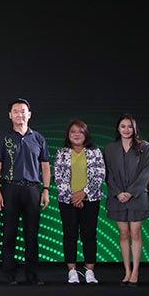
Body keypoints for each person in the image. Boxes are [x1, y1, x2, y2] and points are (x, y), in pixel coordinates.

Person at [0, 98, 51, 285]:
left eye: (23, 111)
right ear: (10, 115)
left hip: (33, 190)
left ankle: (32, 275)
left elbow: (46, 167)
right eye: (16, 111)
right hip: (10, 189)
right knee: (9, 234)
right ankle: (10, 274)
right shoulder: (4, 138)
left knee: (32, 235)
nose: (19, 114)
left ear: (29, 114)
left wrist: (46, 190)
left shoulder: (38, 138)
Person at [53, 120, 105, 285]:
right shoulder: (62, 153)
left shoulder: (95, 152)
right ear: (68, 135)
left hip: (90, 200)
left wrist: (84, 194)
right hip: (67, 201)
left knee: (89, 235)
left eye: (80, 131)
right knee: (70, 235)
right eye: (73, 131)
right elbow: (58, 177)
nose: (76, 134)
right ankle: (72, 271)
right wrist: (73, 197)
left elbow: (99, 175)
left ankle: (89, 271)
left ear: (86, 134)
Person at [103, 114, 149, 286]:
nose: (126, 129)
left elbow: (146, 172)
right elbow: (107, 173)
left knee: (136, 233)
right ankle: (127, 271)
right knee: (123, 234)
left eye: (130, 126)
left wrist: (130, 192)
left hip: (137, 196)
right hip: (117, 197)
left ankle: (136, 271)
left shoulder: (146, 147)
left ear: (135, 128)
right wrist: (118, 193)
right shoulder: (109, 148)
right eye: (123, 126)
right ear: (118, 128)